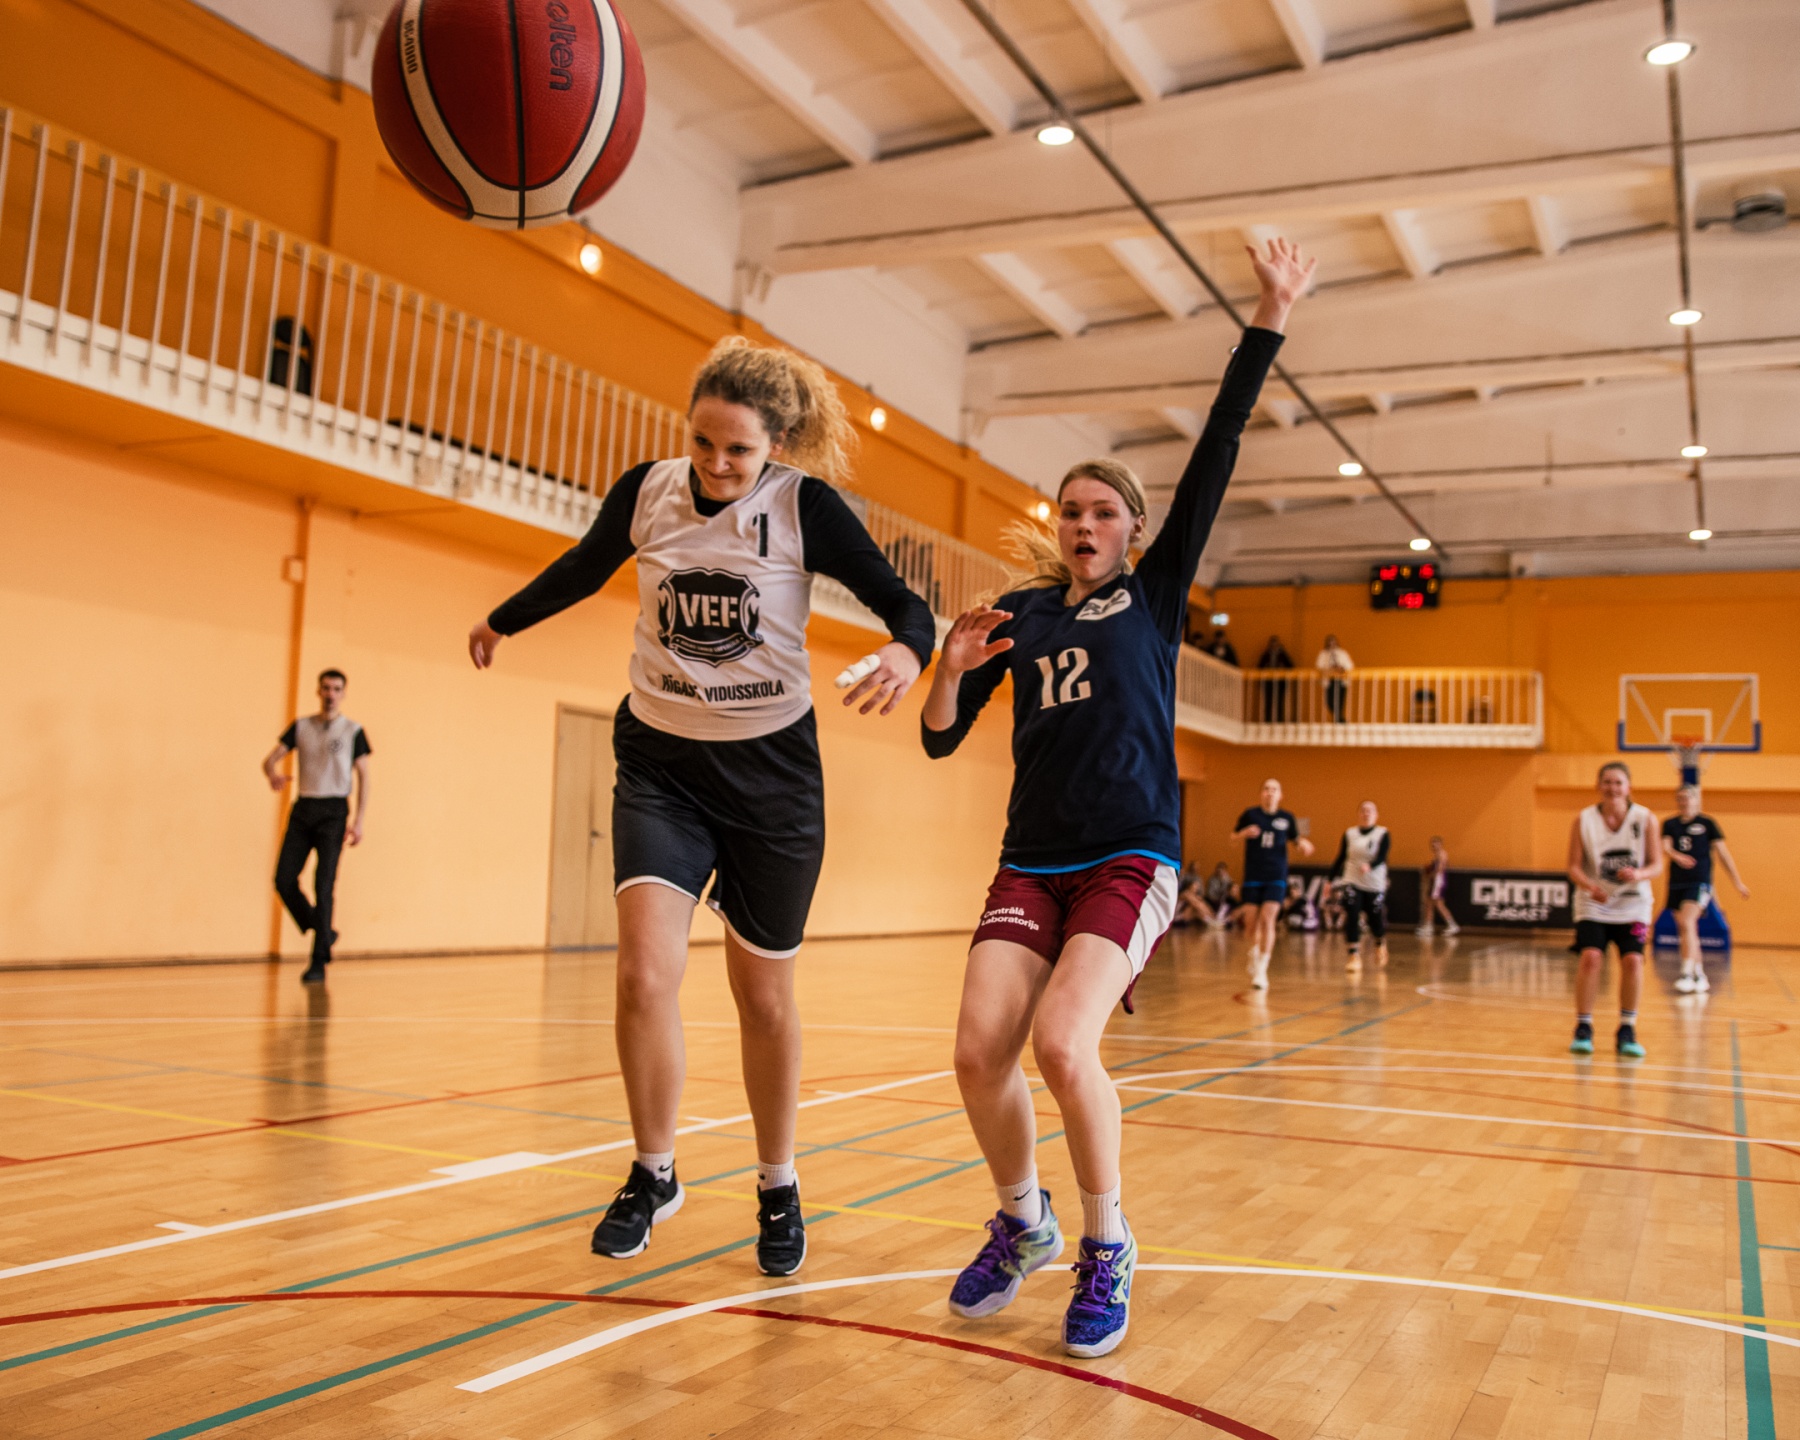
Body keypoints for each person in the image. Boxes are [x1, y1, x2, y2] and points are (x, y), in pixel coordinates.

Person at [919, 240, 1312, 1359]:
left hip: (1131, 856)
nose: (1083, 525)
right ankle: (1023, 1222)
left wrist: (1269, 313)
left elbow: (1220, 444)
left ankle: (1107, 1243)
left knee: (1060, 1043)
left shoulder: (1156, 594)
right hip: (1030, 860)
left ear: (1132, 527)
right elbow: (941, 738)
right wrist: (947, 666)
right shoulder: (1020, 615)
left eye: (1102, 512)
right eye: (1070, 512)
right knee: (975, 1053)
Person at [468, 337, 935, 1277]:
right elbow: (584, 566)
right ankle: (653, 1172)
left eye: (740, 451)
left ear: (776, 446)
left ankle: (778, 1183)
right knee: (644, 975)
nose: (719, 465)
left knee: (762, 998)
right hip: (661, 762)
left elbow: (903, 603)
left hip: (772, 774)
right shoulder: (648, 491)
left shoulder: (803, 507)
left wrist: (905, 652)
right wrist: (502, 619)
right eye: (705, 444)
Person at [263, 669, 371, 985]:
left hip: (334, 811)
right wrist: (272, 774)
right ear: (318, 691)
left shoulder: (353, 731)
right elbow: (269, 760)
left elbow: (365, 776)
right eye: (326, 688)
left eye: (336, 689)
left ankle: (318, 962)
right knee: (284, 879)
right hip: (304, 808)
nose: (330, 694)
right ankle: (322, 930)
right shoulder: (301, 726)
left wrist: (359, 820)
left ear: (343, 693)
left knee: (324, 884)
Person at [1566, 762, 1662, 1058]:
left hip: (1635, 905)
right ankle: (1583, 1026)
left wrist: (1639, 874)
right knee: (1591, 957)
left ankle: (1627, 1028)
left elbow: (1657, 864)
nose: (1613, 788)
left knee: (1633, 961)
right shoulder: (1583, 819)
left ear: (1628, 787)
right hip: (1595, 903)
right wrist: (1589, 885)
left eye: (1618, 782)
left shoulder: (1645, 818)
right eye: (1607, 782)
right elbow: (1573, 867)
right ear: (1598, 785)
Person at [1662, 785, 1750, 993]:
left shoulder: (1707, 823)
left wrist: (1737, 882)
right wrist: (1677, 856)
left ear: (1696, 800)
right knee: (1686, 928)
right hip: (1676, 882)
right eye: (1680, 798)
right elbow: (1665, 846)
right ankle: (1699, 974)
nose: (1684, 802)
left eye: (1687, 798)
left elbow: (1723, 854)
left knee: (1687, 921)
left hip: (1699, 882)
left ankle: (1686, 972)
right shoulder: (1670, 824)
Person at [1232, 777, 1314, 988]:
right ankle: (1254, 951)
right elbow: (1233, 837)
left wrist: (1303, 844)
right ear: (1261, 793)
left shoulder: (1287, 818)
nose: (1270, 792)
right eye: (1266, 789)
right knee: (1251, 923)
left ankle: (1262, 969)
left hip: (1276, 875)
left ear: (1280, 795)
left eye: (1274, 789)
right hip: (1253, 875)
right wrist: (1243, 834)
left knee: (1268, 919)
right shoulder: (1250, 815)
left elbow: (1296, 839)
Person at [1331, 800, 1389, 969]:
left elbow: (1382, 857)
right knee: (1352, 913)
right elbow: (1341, 857)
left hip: (1374, 882)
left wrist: (1370, 866)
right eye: (1363, 810)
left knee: (1374, 917)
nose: (1366, 813)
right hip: (1352, 879)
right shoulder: (1350, 834)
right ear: (1358, 814)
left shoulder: (1382, 833)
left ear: (1376, 815)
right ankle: (1353, 955)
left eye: (1370, 810)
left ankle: (1380, 942)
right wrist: (1329, 879)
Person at [1417, 836, 1458, 935]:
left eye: (1436, 843)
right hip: (1437, 881)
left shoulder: (1442, 854)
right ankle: (1429, 927)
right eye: (1432, 844)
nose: (1434, 846)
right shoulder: (1438, 855)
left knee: (1438, 904)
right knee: (1429, 904)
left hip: (1438, 882)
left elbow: (1439, 869)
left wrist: (1429, 874)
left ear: (1440, 844)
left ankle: (1452, 925)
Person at [1315, 633, 1353, 724]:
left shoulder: (1342, 653)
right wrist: (1329, 669)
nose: (1332, 645)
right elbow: (1319, 666)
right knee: (1329, 701)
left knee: (1340, 700)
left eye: (1333, 642)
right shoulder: (1323, 654)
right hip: (1330, 680)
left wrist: (1341, 668)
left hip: (1341, 680)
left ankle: (1338, 719)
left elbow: (1349, 665)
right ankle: (1339, 718)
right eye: (1330, 643)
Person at [1257, 635, 1294, 720]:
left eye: (1275, 644)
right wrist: (1266, 669)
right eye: (1272, 644)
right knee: (1268, 702)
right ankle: (1267, 720)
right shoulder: (1266, 654)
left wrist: (1282, 669)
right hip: (1268, 682)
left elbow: (1291, 666)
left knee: (1279, 702)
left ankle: (1279, 720)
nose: (1274, 646)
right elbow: (1259, 667)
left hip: (1280, 682)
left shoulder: (1282, 655)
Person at [1204, 862, 1236, 929]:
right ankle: (1216, 918)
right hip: (1214, 901)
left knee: (1229, 902)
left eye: (1222, 870)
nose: (1221, 872)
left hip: (1225, 900)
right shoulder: (1212, 880)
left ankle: (1225, 919)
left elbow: (1231, 892)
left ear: (1225, 871)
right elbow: (1210, 894)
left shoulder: (1228, 879)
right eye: (1219, 870)